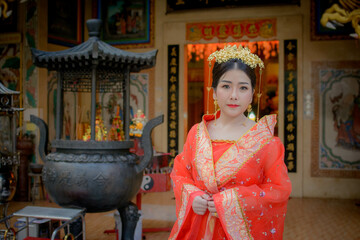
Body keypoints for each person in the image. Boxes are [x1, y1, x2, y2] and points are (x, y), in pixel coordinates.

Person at [169, 45, 292, 240]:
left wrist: (231, 202)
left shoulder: (266, 142)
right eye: (226, 86)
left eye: (243, 88)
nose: (234, 95)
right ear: (215, 92)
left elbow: (278, 190)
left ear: (252, 94)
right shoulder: (198, 133)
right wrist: (193, 196)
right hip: (199, 228)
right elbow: (181, 172)